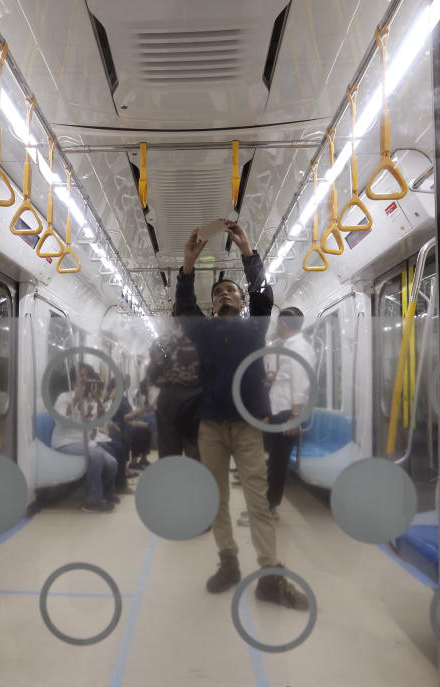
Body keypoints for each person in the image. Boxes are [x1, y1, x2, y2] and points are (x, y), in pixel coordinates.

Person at [174, 220, 309, 610]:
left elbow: (264, 295)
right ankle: (229, 562)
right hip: (211, 427)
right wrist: (187, 266)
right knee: (216, 500)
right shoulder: (203, 332)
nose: (224, 295)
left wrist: (249, 252)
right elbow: (184, 306)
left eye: (230, 290)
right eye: (217, 293)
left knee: (258, 502)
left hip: (248, 426)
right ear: (212, 303)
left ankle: (269, 575)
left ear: (241, 299)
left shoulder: (256, 327)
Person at [238, 307, 315, 526]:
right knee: (273, 462)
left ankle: (268, 510)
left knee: (277, 464)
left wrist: (295, 417)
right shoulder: (289, 347)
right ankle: (267, 508)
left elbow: (301, 384)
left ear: (282, 325)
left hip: (287, 413)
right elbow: (288, 379)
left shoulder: (298, 348)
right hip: (280, 411)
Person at [50, 363, 119, 512]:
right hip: (65, 441)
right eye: (81, 376)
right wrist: (76, 398)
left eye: (87, 376)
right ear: (74, 380)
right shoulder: (64, 397)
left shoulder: (91, 400)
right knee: (96, 456)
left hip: (85, 442)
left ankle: (107, 494)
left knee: (112, 462)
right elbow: (60, 420)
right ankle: (92, 502)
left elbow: (101, 420)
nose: (84, 379)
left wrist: (98, 399)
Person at [146, 320, 202, 459]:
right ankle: (196, 478)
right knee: (195, 452)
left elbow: (152, 374)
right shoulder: (203, 340)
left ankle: (171, 478)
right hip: (195, 399)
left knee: (169, 452)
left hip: (168, 400)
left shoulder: (161, 341)